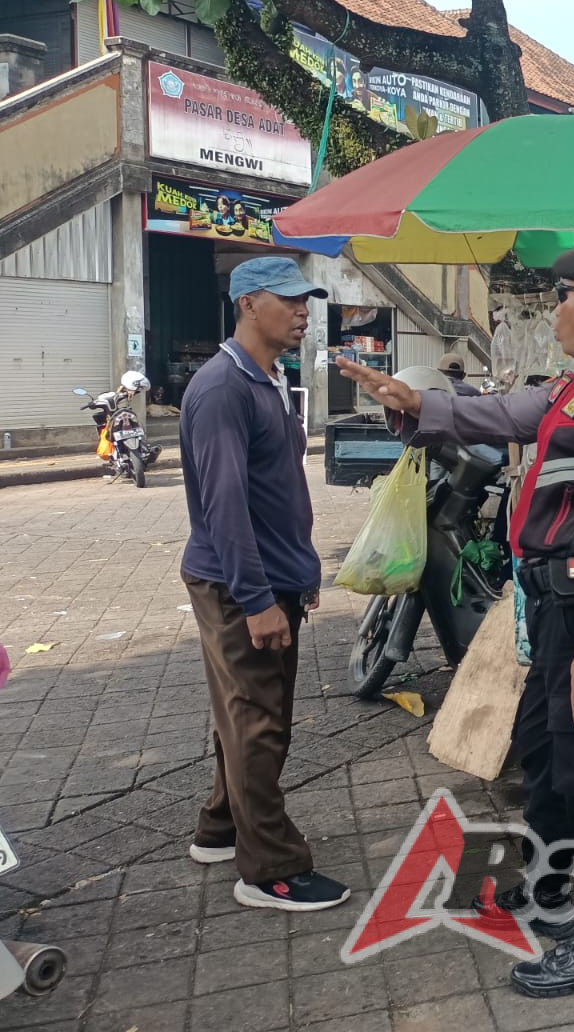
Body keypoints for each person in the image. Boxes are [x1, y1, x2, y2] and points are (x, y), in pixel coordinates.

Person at [339, 244, 574, 1000]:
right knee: (552, 766)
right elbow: (504, 413)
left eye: (562, 296)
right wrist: (410, 400)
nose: (553, 310)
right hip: (557, 607)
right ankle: (554, 890)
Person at [178, 258, 350, 913]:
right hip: (238, 585)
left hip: (270, 577)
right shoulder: (223, 387)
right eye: (291, 301)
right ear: (250, 303)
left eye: (308, 301)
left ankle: (221, 827)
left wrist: (297, 574)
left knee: (245, 717)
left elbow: (274, 494)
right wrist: (255, 601)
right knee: (259, 724)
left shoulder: (270, 377)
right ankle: (269, 869)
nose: (304, 312)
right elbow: (224, 507)